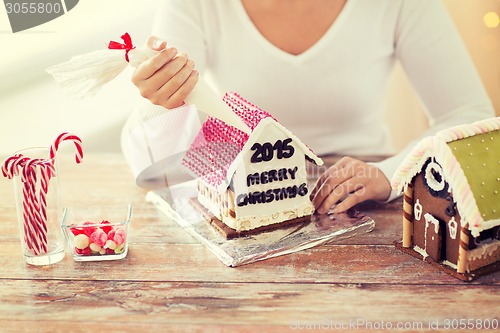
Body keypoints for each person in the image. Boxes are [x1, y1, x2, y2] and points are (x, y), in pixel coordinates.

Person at [122, 0, 494, 214]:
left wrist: (391, 175)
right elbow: (149, 167)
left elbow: (471, 116)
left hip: (365, 199)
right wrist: (161, 100)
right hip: (244, 197)